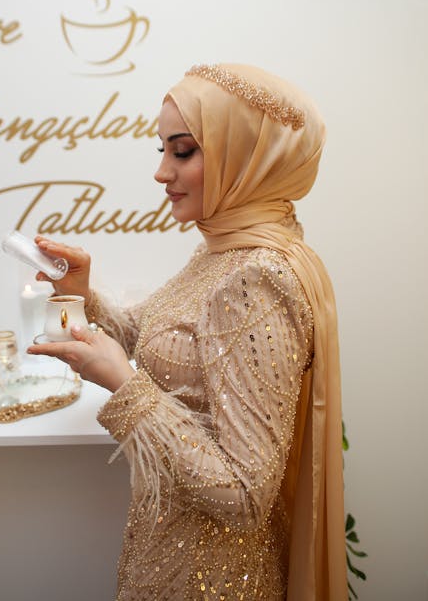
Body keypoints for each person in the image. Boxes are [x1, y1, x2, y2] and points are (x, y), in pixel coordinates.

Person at [27, 63, 348, 600]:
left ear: (244, 156)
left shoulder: (256, 275)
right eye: (163, 150)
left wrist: (124, 386)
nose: (161, 172)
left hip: (214, 577)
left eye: (182, 151)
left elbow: (245, 496)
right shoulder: (221, 250)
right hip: (171, 550)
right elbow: (164, 341)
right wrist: (88, 297)